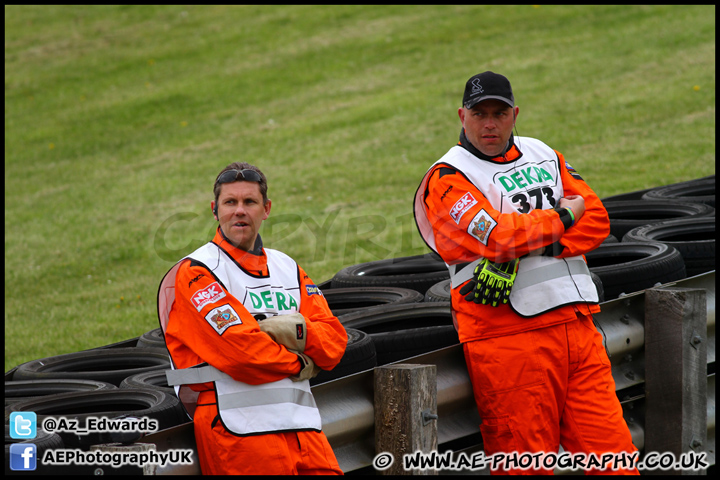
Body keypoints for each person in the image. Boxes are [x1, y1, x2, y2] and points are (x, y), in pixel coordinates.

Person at [413, 71, 639, 475]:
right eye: (479, 114)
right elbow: (500, 236)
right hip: (508, 341)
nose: (489, 123)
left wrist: (535, 239)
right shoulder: (447, 178)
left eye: (499, 113)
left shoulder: (544, 153)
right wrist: (563, 215)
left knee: (618, 463)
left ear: (514, 114)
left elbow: (597, 221)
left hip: (578, 328)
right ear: (461, 116)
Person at [157, 162, 347, 475]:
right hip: (239, 433)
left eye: (250, 202)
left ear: (266, 209)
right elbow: (242, 353)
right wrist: (301, 361)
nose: (239, 211)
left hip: (304, 430)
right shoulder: (198, 272)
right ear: (214, 210)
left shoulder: (286, 266)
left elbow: (335, 343)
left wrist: (300, 332)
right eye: (230, 202)